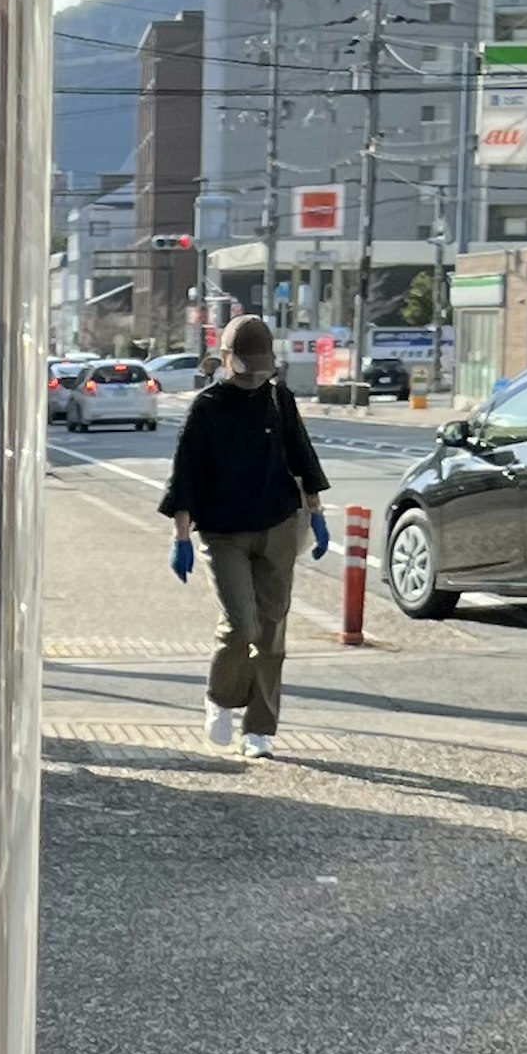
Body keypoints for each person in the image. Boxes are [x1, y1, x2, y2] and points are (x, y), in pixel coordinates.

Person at [161, 313, 331, 760]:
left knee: (272, 631)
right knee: (242, 625)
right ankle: (219, 698)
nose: (255, 379)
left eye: (262, 369)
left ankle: (260, 728)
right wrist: (181, 537)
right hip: (224, 533)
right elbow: (186, 478)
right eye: (246, 368)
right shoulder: (206, 408)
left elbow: (303, 457)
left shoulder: (280, 399)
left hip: (277, 524)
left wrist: (315, 512)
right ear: (225, 358)